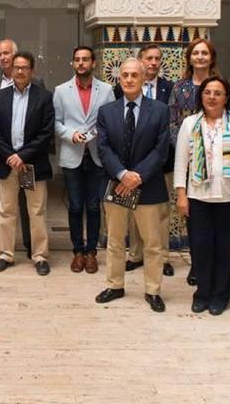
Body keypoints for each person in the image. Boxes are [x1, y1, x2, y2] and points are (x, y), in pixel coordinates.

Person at [174, 76, 230, 315]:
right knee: (200, 249)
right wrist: (181, 195)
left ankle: (221, 295)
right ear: (201, 96)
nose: (212, 97)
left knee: (225, 249)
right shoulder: (190, 123)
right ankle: (202, 293)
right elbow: (181, 163)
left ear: (226, 98)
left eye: (218, 93)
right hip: (197, 198)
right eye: (207, 92)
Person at [94, 59, 171, 312]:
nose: (128, 79)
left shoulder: (159, 110)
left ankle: (153, 290)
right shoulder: (107, 111)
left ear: (143, 78)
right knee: (115, 240)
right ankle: (115, 285)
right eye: (124, 75)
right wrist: (122, 174)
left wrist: (137, 176)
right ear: (119, 79)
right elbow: (103, 149)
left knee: (152, 243)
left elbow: (161, 150)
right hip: (117, 185)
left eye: (134, 75)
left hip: (148, 186)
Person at [0, 52, 54, 275]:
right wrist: (11, 155)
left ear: (32, 70)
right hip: (8, 165)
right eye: (16, 67)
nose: (19, 71)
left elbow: (46, 133)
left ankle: (39, 256)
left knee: (36, 211)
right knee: (6, 211)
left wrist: (23, 156)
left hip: (31, 166)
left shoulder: (44, 97)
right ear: (10, 70)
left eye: (24, 67)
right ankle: (5, 254)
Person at [53, 46, 115, 273]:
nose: (81, 63)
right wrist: (71, 134)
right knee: (76, 207)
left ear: (93, 63)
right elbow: (56, 122)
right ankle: (77, 251)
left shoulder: (107, 90)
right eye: (77, 59)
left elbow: (110, 120)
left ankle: (91, 252)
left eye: (85, 59)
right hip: (72, 155)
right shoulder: (61, 91)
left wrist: (97, 132)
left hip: (97, 156)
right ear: (72, 63)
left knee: (94, 206)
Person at [118, 43, 176, 277]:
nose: (153, 62)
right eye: (149, 58)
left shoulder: (168, 88)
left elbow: (168, 129)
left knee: (160, 213)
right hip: (130, 166)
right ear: (140, 60)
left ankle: (162, 257)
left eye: (157, 58)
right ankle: (135, 254)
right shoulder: (121, 89)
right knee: (133, 213)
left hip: (159, 163)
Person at [168, 38, 221, 286]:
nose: (200, 57)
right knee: (194, 216)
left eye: (204, 53)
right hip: (190, 162)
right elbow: (173, 122)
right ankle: (197, 265)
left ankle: (215, 264)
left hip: (219, 160)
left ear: (211, 57)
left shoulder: (219, 85)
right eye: (196, 53)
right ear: (189, 58)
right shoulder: (179, 88)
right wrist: (186, 151)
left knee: (216, 216)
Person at [0, 39, 35, 257]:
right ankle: (1, 242)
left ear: (16, 55)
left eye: (7, 53)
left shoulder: (35, 82)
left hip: (25, 156)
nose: (3, 57)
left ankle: (31, 243)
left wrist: (24, 151)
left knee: (27, 198)